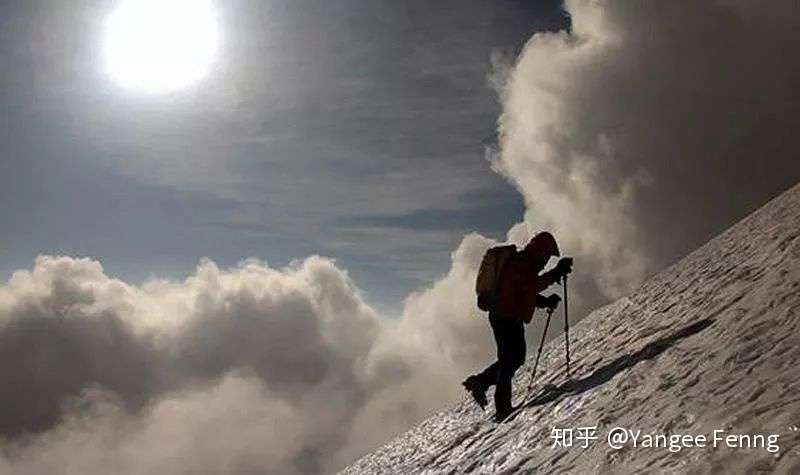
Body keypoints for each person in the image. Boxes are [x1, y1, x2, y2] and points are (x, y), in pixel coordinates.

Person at [463, 231, 572, 422]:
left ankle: (481, 382)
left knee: (514, 359)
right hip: (504, 317)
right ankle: (501, 406)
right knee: (509, 360)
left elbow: (522, 293)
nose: (546, 261)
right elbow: (530, 287)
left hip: (507, 316)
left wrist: (545, 301)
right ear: (539, 251)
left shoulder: (523, 264)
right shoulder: (521, 265)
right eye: (546, 256)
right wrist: (555, 273)